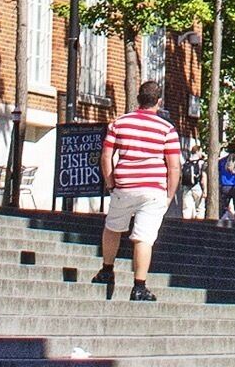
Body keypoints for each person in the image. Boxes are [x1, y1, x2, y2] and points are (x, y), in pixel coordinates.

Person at [94, 78, 182, 303]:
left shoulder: (119, 123)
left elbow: (106, 156)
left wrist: (110, 181)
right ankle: (139, 286)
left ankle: (107, 269)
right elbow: (173, 165)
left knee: (113, 227)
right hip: (153, 188)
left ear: (138, 99)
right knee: (144, 238)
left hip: (124, 184)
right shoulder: (167, 129)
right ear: (159, 102)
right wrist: (169, 195)